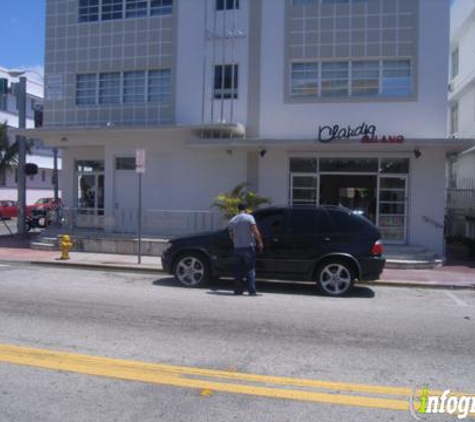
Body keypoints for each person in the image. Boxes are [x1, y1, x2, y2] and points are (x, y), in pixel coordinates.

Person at [228, 203, 264, 296]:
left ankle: (238, 290)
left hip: (237, 248)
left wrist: (236, 242)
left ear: (238, 209)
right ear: (246, 209)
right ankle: (252, 291)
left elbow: (231, 235)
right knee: (250, 269)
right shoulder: (249, 217)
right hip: (248, 247)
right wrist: (260, 242)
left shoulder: (233, 220)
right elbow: (255, 230)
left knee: (238, 270)